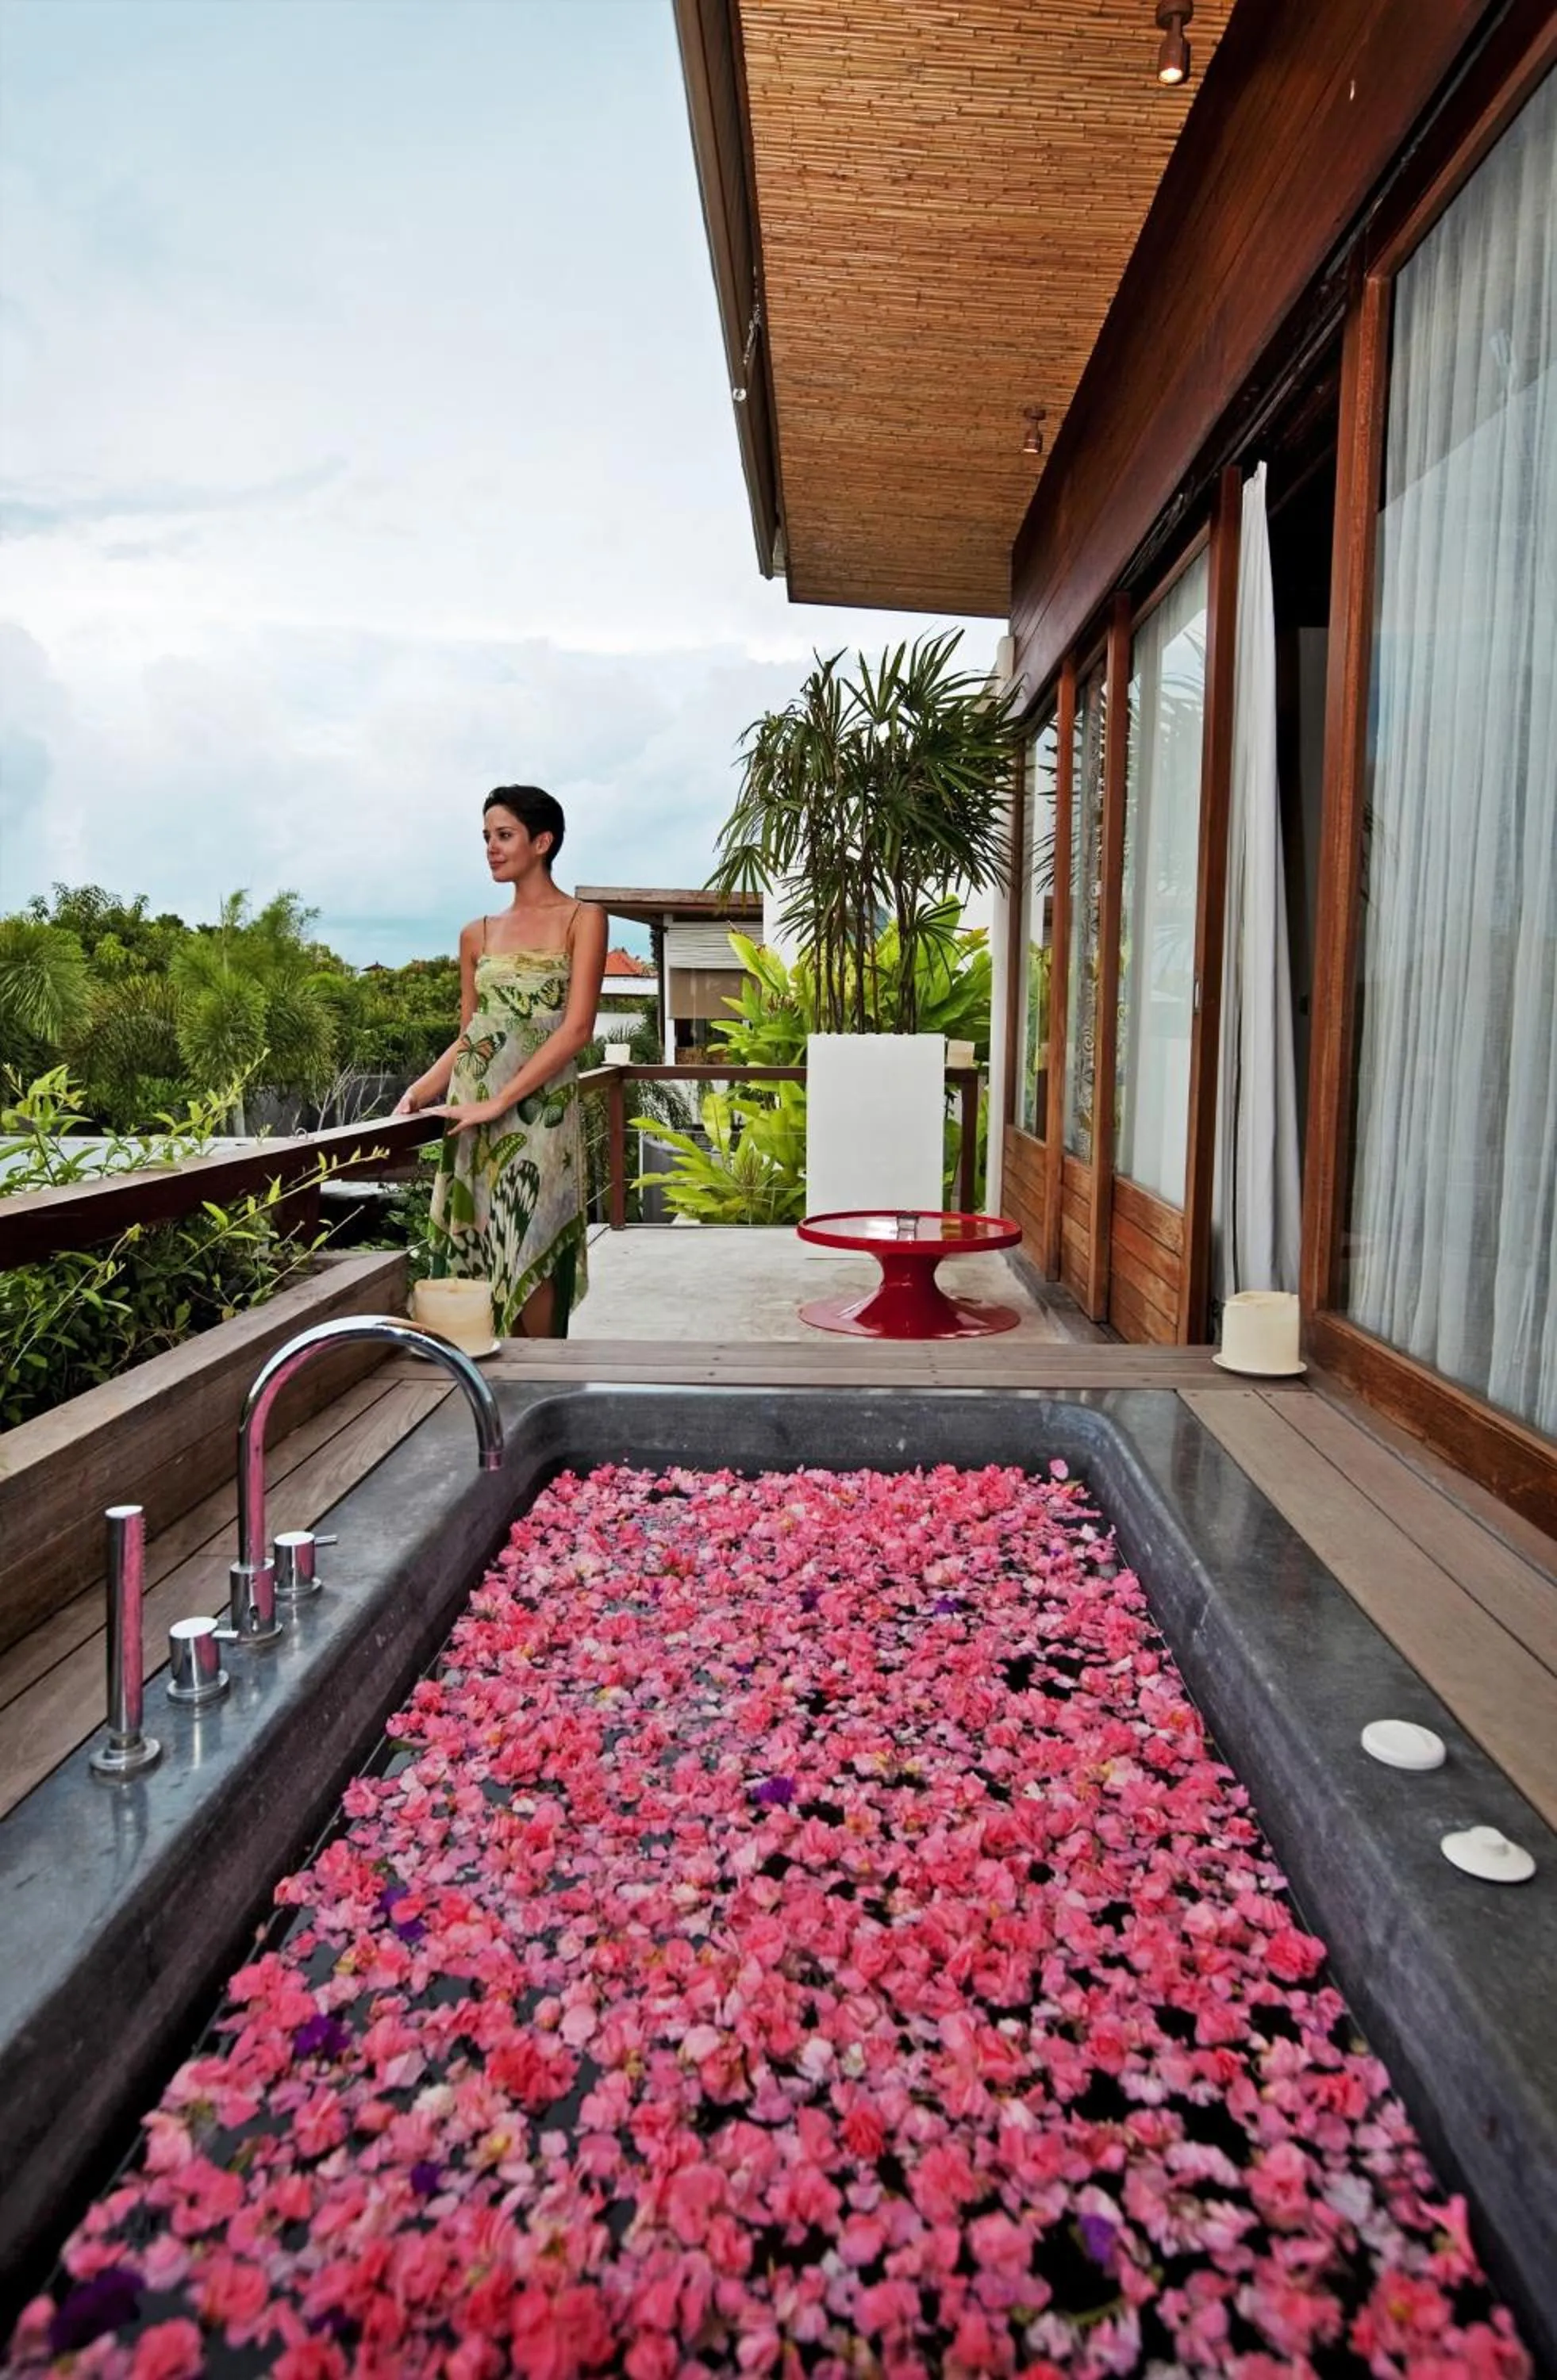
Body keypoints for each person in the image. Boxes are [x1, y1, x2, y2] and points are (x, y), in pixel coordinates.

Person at [395, 785, 607, 1338]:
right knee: (480, 1242)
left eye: (504, 835)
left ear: (543, 841)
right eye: (487, 837)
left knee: (531, 1236)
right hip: (473, 1115)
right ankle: (482, 1380)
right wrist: (420, 1091)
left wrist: (502, 1101)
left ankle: (539, 1386)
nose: (491, 847)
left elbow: (577, 1029)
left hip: (540, 1114)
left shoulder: (583, 919)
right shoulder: (477, 933)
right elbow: (471, 1033)